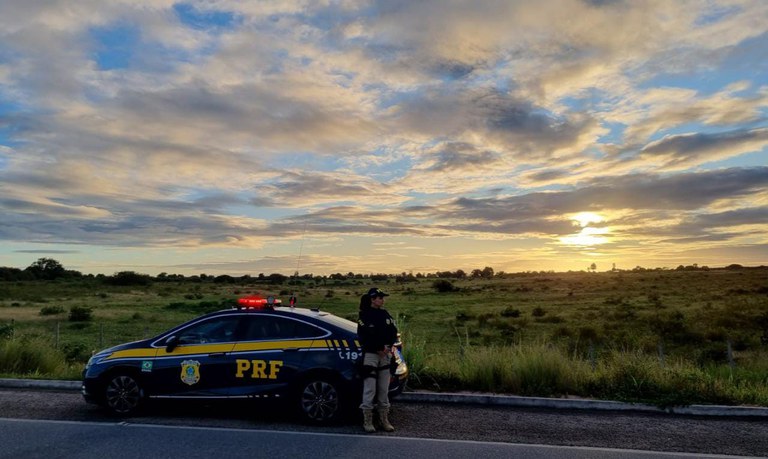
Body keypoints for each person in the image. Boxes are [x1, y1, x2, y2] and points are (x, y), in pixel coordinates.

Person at [357, 287, 398, 433]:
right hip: (371, 355)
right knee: (370, 389)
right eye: (379, 297)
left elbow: (393, 331)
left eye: (382, 297)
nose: (382, 300)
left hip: (385, 355)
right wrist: (378, 348)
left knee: (383, 389)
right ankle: (367, 420)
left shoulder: (385, 314)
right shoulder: (364, 316)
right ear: (372, 299)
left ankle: (384, 419)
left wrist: (387, 347)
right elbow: (364, 336)